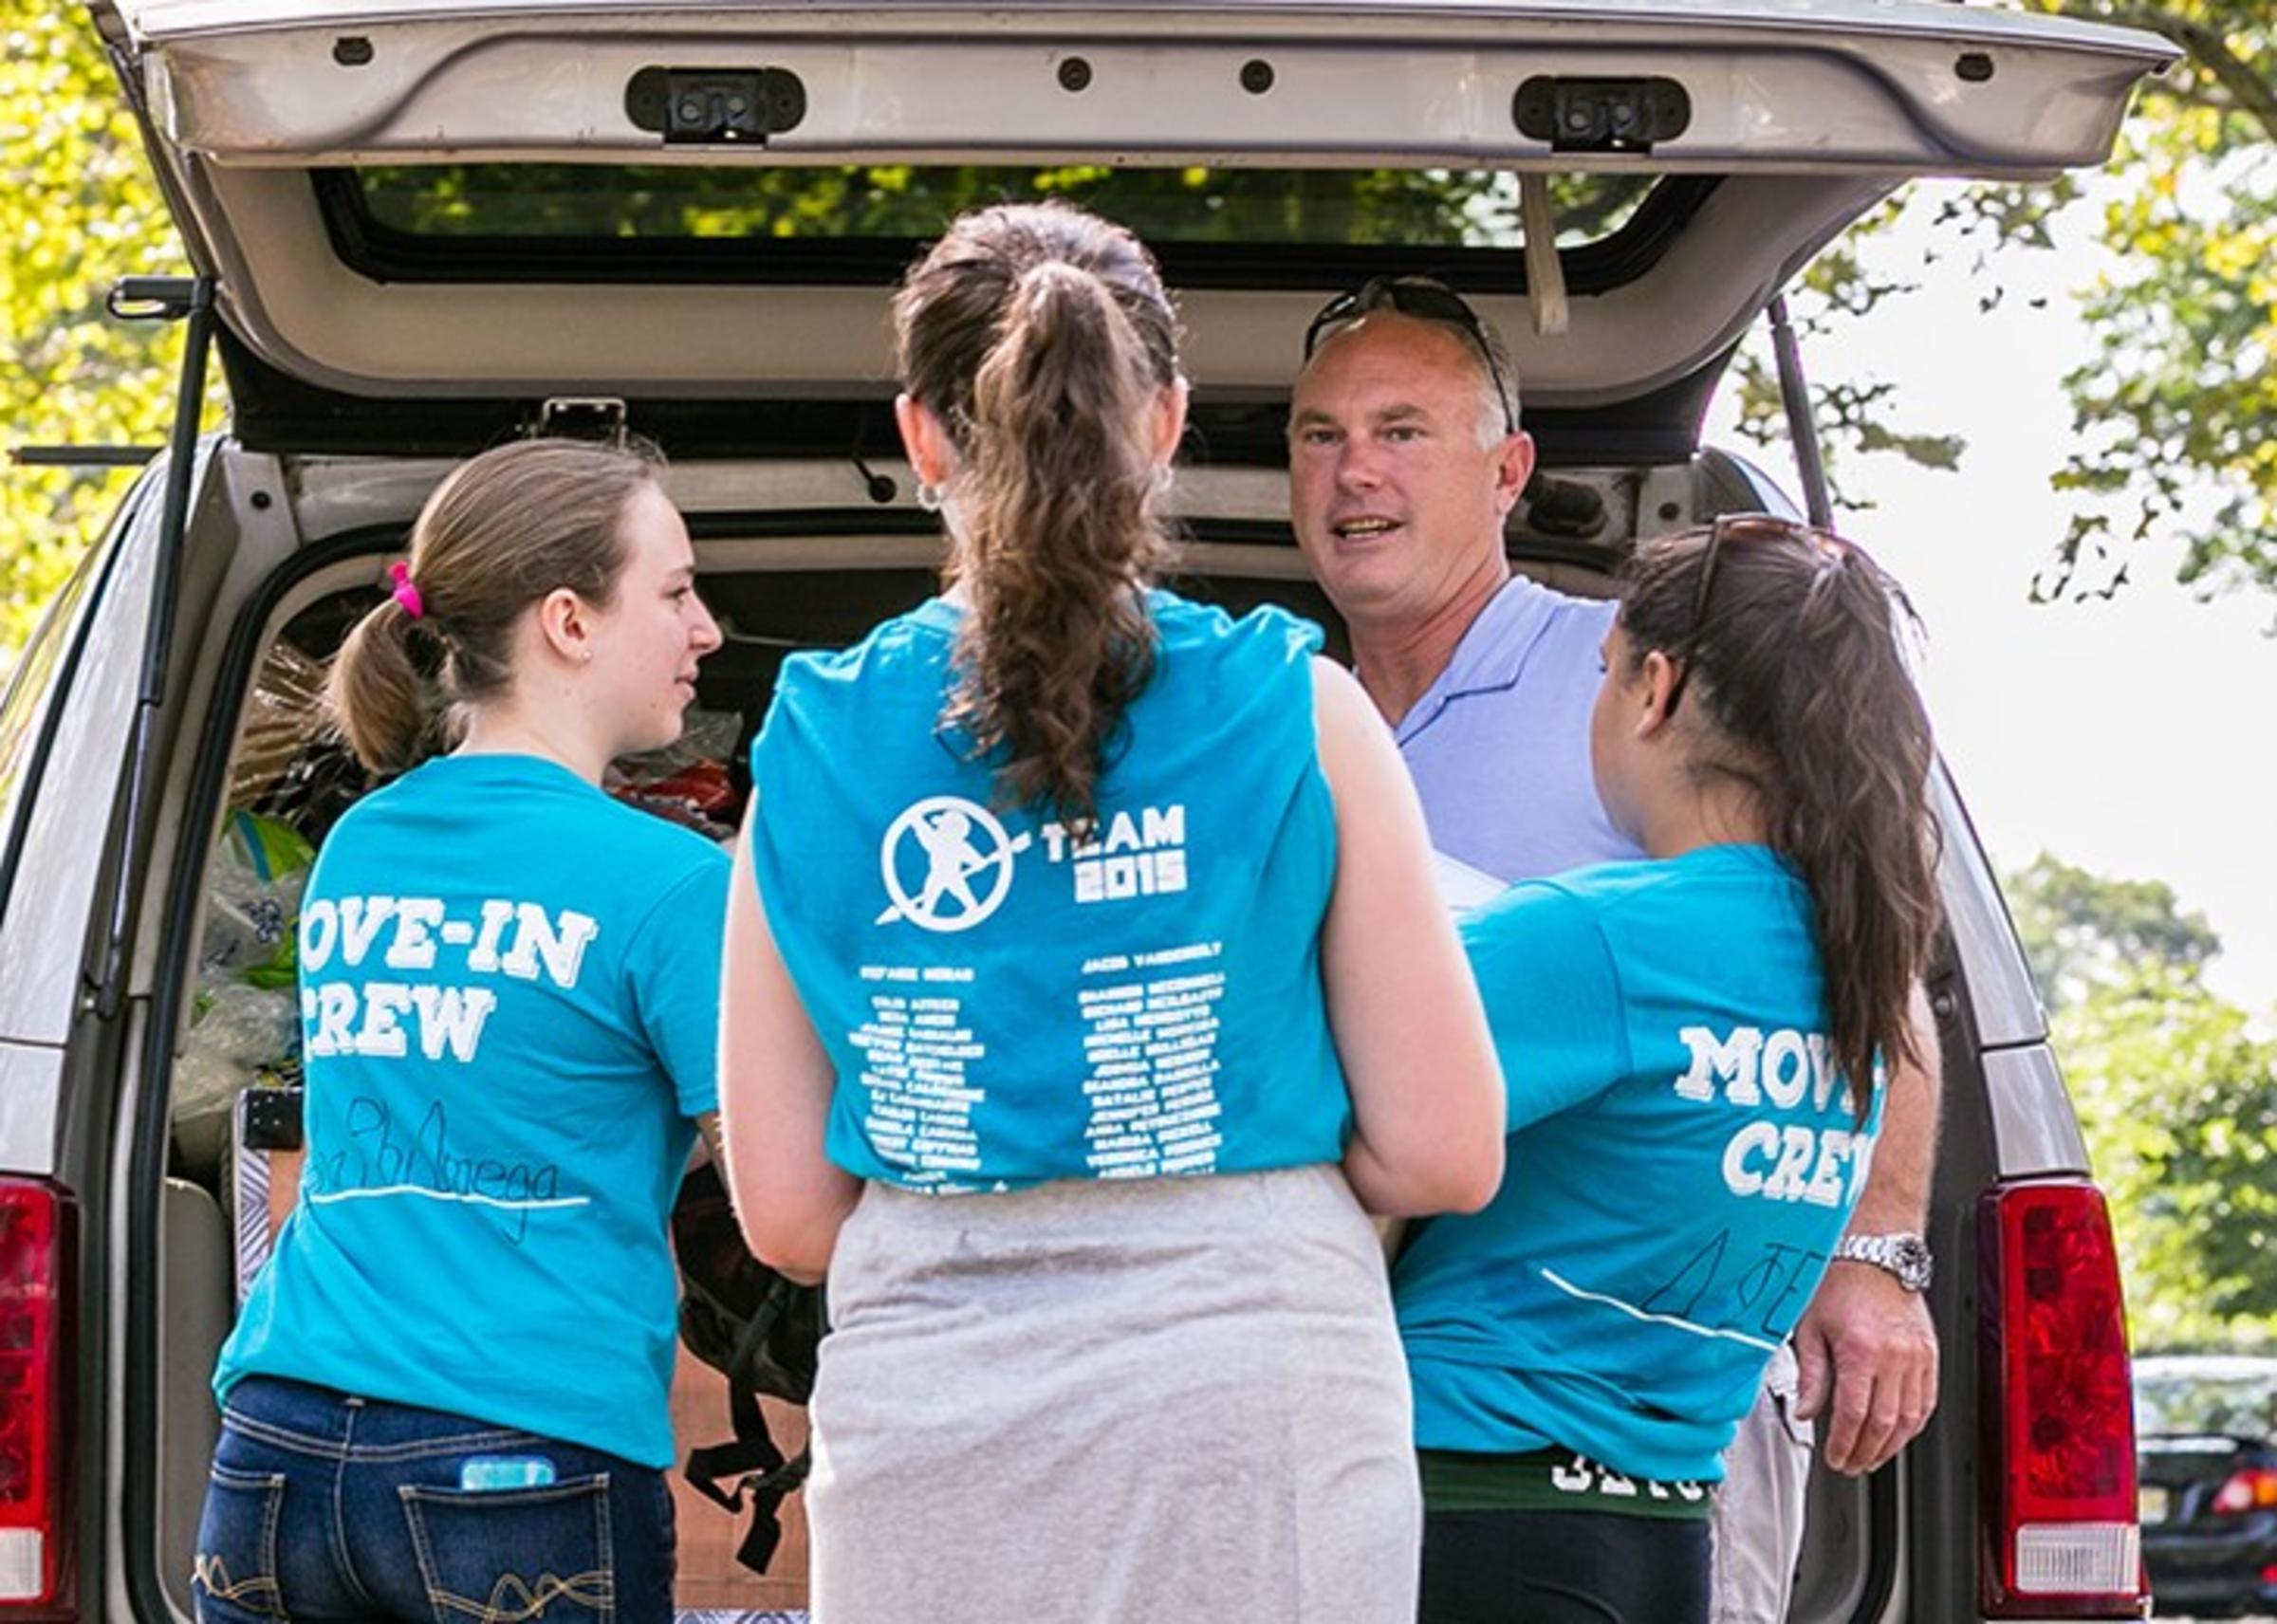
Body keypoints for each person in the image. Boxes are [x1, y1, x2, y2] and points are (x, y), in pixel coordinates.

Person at [717, 202, 1506, 1624]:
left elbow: (783, 1214)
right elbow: (1445, 1152)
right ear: (1167, 426)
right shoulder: (1303, 713)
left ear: (920, 435)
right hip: (1254, 1410)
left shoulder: (812, 746)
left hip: (928, 1422)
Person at [1287, 279, 1943, 1621]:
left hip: (1560, 1432)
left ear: (1508, 469)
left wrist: (1869, 1257)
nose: (1355, 468)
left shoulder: (1640, 676)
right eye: (1317, 434)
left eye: (1403, 428)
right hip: (1553, 1455)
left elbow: (1885, 977)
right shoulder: (1277, 715)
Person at [194, 437, 728, 1624]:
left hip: (276, 1443)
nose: (707, 632)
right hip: (517, 1461)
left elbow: (501, 1077)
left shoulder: (362, 845)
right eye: (677, 591)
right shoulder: (674, 881)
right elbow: (775, 1183)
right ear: (569, 623)